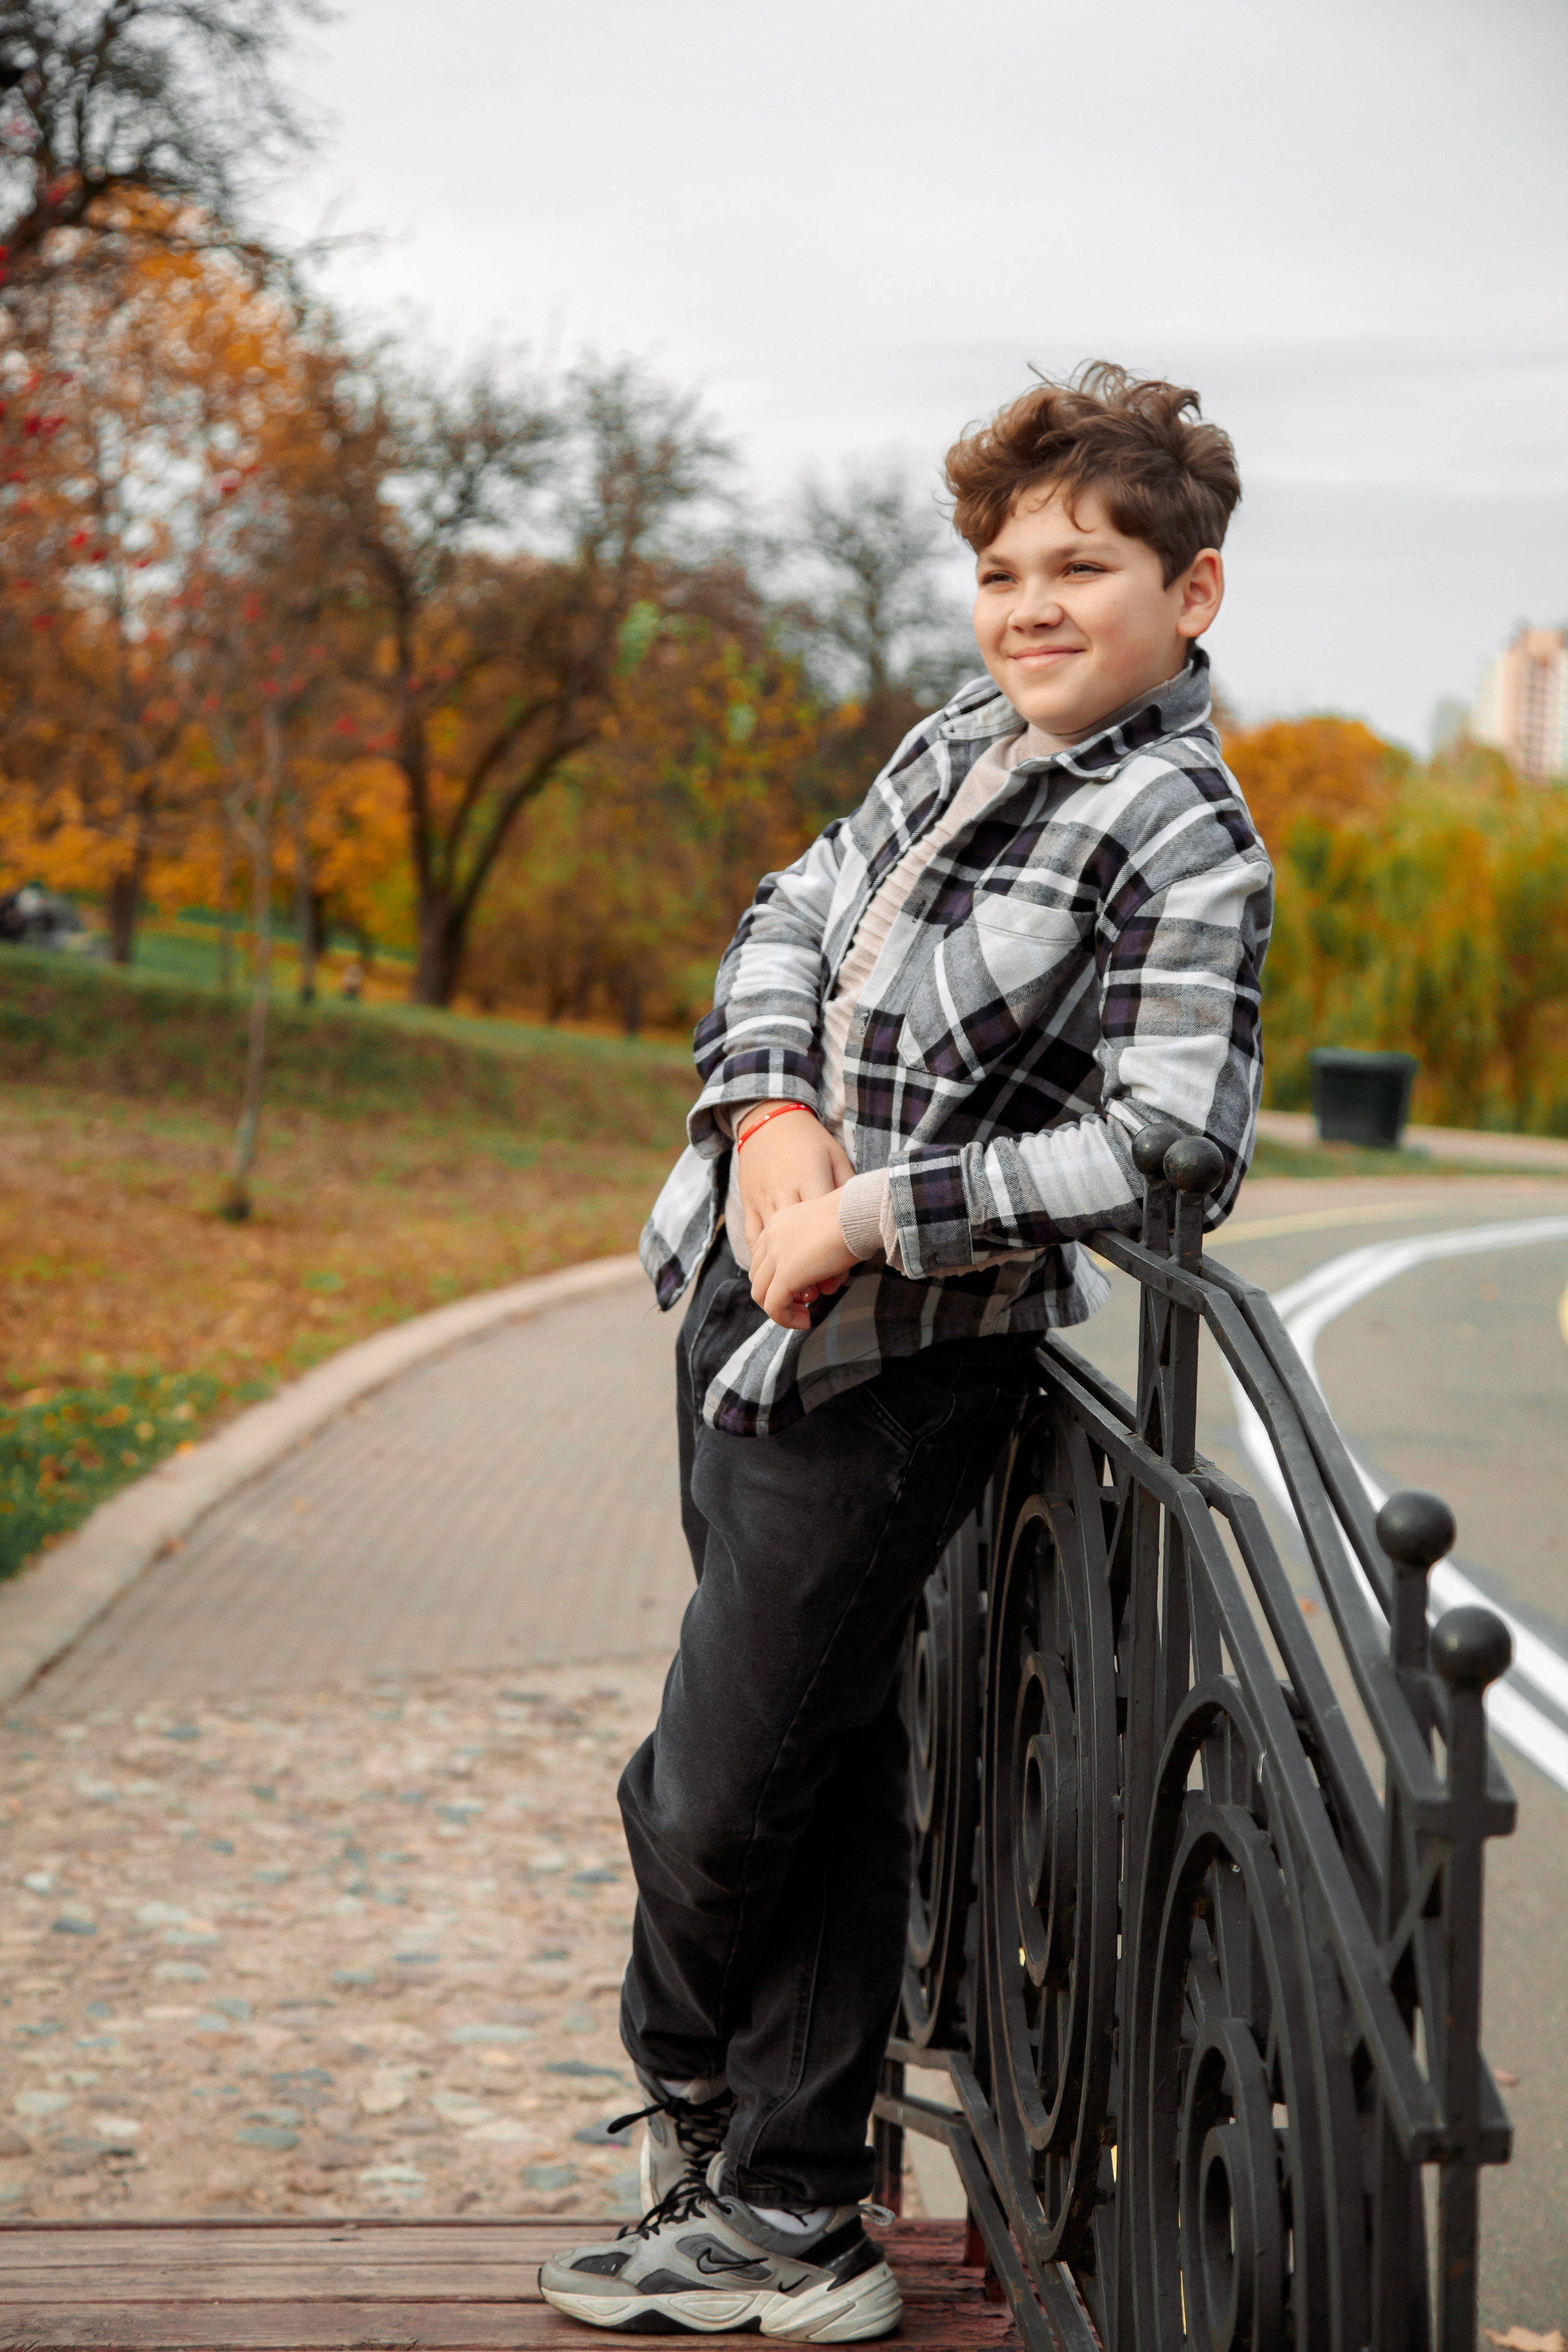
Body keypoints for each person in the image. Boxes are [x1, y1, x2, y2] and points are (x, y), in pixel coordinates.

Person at [540, 363, 1273, 2339]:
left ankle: (694, 2104)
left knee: (711, 1790)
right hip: (737, 1301)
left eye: (1082, 569)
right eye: (1004, 570)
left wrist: (869, 1215)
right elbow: (789, 912)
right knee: (819, 1752)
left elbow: (1174, 1140)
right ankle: (793, 2205)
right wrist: (770, 1120)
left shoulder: (1182, 833)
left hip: (891, 1365)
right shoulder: (961, 732)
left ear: (1190, 592)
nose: (1031, 607)